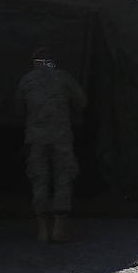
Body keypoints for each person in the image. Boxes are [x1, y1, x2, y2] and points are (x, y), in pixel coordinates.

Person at [16, 46, 87, 243]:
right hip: (61, 136)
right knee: (63, 177)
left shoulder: (27, 80)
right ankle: (59, 226)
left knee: (40, 179)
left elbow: (19, 110)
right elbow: (81, 101)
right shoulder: (64, 78)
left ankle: (42, 227)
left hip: (36, 138)